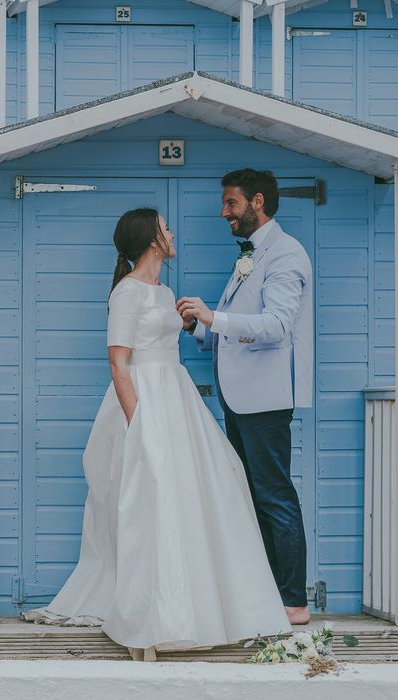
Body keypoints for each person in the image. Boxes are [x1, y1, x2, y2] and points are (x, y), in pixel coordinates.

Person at [23, 208, 291, 660]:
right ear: (152, 240)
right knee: (152, 496)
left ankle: (208, 605)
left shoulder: (165, 290)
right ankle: (154, 613)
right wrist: (139, 423)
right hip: (143, 399)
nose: (172, 233)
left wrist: (188, 320)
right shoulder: (126, 293)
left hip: (177, 395)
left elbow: (166, 341)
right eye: (165, 228)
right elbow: (118, 363)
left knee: (208, 488)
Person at [176, 169, 313, 626]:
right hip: (239, 399)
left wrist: (214, 317)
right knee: (252, 496)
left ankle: (293, 600)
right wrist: (198, 326)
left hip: (265, 400)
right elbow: (231, 328)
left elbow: (275, 325)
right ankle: (266, 592)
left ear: (257, 202)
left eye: (231, 204)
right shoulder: (251, 256)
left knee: (275, 496)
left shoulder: (286, 255)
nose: (224, 213)